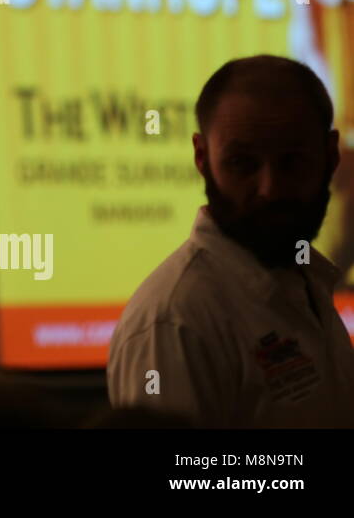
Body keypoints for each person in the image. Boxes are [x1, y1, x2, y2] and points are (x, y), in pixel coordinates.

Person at [107, 54, 354, 427]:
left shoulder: (306, 281)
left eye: (292, 162)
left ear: (332, 155)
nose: (269, 189)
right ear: (202, 158)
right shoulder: (173, 324)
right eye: (242, 163)